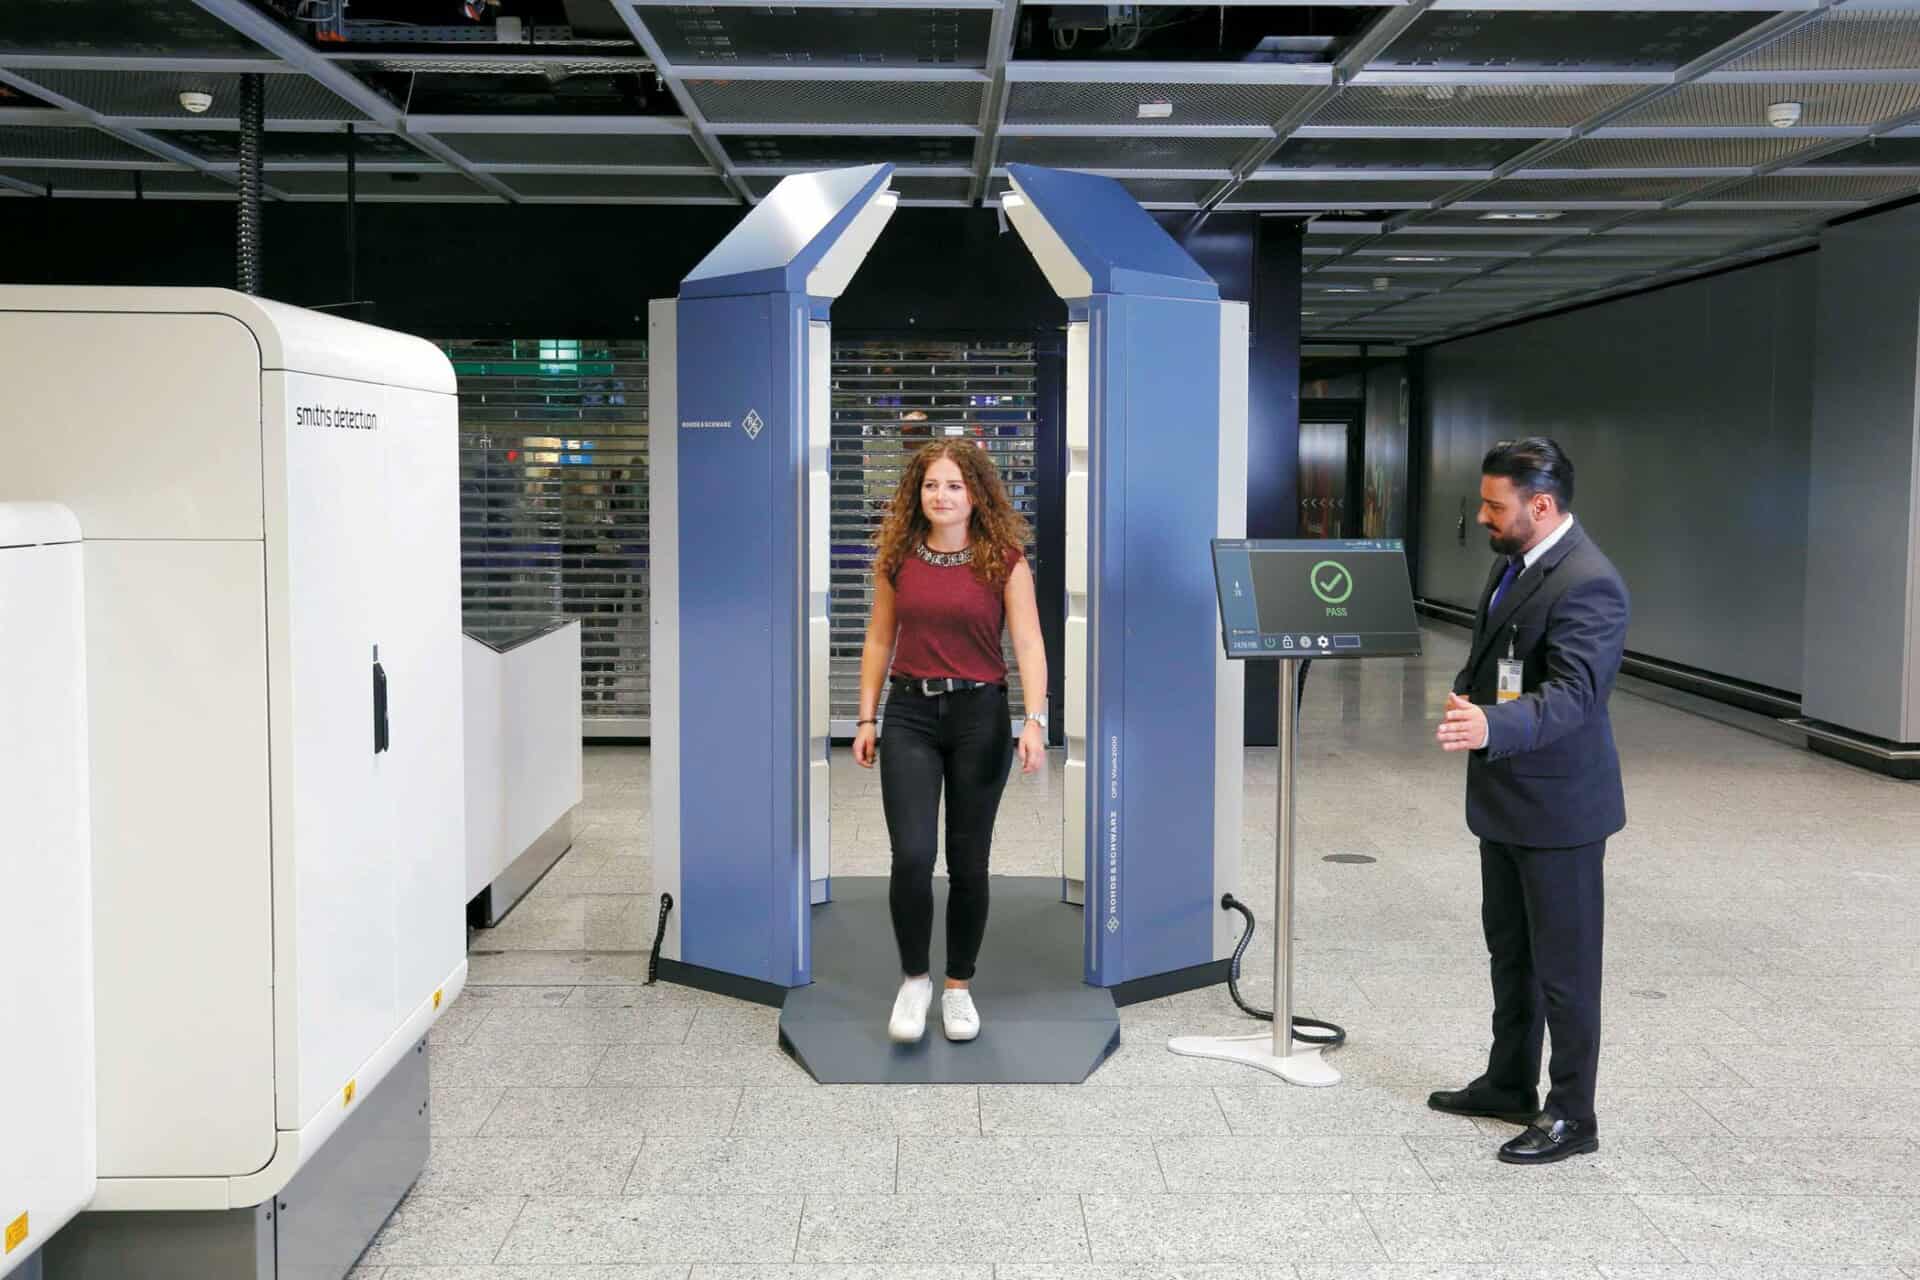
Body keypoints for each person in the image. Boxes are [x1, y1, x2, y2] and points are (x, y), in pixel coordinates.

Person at [1430, 437, 1629, 1166]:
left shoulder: (1589, 582)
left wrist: (1494, 722)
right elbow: (1503, 658)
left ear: (1540, 507)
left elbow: (1576, 695)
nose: (1482, 515)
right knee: (1510, 952)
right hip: (1507, 798)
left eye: (1494, 505)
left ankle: (1573, 1114)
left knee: (1566, 972)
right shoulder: (1513, 563)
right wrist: (1471, 695)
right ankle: (1510, 1081)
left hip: (1561, 813)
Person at [852, 441, 1048, 1045]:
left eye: (955, 485)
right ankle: (916, 981)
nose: (942, 495)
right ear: (918, 493)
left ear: (976, 494)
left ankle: (958, 987)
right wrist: (865, 719)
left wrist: (1034, 720)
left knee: (969, 862)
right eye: (932, 485)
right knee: (912, 857)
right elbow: (880, 642)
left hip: (979, 717)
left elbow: (1030, 643)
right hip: (910, 714)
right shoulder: (898, 559)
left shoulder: (1005, 561)